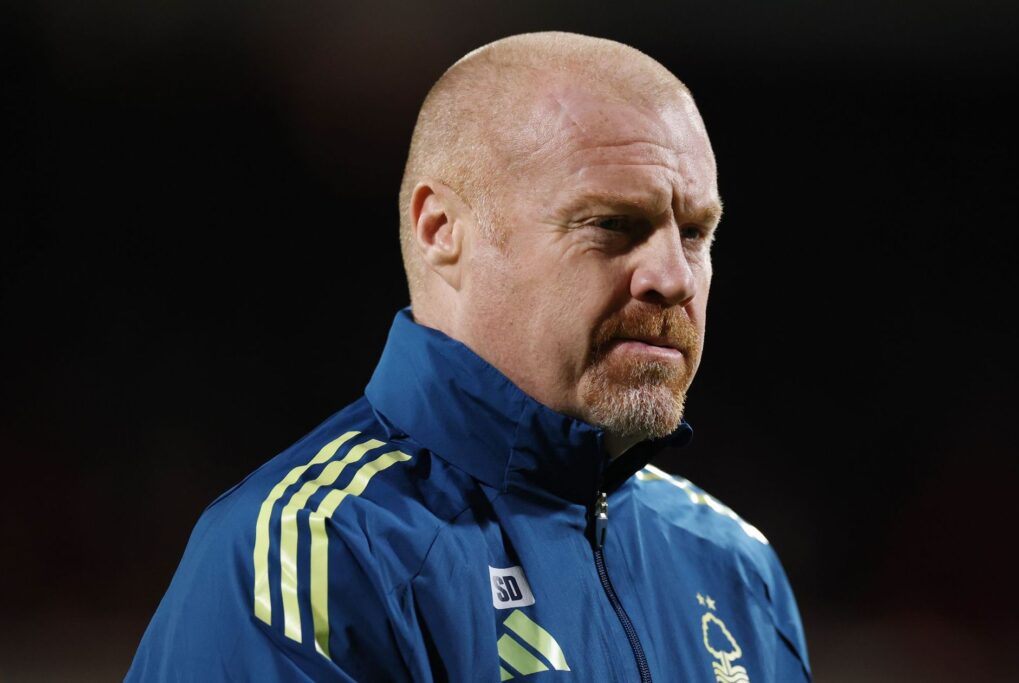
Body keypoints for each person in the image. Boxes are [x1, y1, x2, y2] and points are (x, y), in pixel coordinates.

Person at [127, 31, 811, 682]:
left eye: (694, 233)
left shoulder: (734, 566)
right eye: (612, 225)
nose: (674, 278)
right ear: (442, 230)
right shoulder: (317, 556)